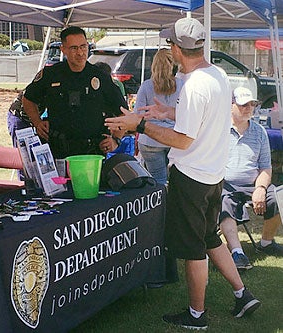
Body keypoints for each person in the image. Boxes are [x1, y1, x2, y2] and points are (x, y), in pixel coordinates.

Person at [104, 18, 260, 330]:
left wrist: (141, 125)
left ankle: (196, 315)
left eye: (170, 45)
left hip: (192, 177)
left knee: (193, 250)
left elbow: (183, 139)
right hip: (214, 175)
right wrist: (167, 112)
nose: (169, 50)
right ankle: (243, 294)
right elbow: (206, 115)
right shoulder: (216, 74)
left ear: (177, 49)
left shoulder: (193, 86)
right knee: (209, 238)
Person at [22, 26, 127, 159]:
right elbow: (28, 99)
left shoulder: (100, 76)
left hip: (91, 152)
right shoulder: (51, 74)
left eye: (83, 46)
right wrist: (37, 122)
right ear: (63, 49)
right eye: (74, 48)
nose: (80, 52)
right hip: (57, 151)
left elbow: (123, 112)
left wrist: (115, 140)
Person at [219, 86, 283, 271]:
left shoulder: (260, 132)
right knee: (224, 201)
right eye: (243, 105)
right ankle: (237, 252)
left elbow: (265, 168)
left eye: (252, 104)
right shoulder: (219, 130)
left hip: (253, 184)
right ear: (231, 105)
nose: (248, 108)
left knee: (279, 195)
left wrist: (261, 189)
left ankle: (266, 242)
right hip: (225, 184)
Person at [134, 49, 183, 185]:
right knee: (176, 181)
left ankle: (160, 205)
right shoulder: (182, 85)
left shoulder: (146, 86)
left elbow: (138, 114)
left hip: (150, 138)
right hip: (175, 138)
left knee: (158, 181)